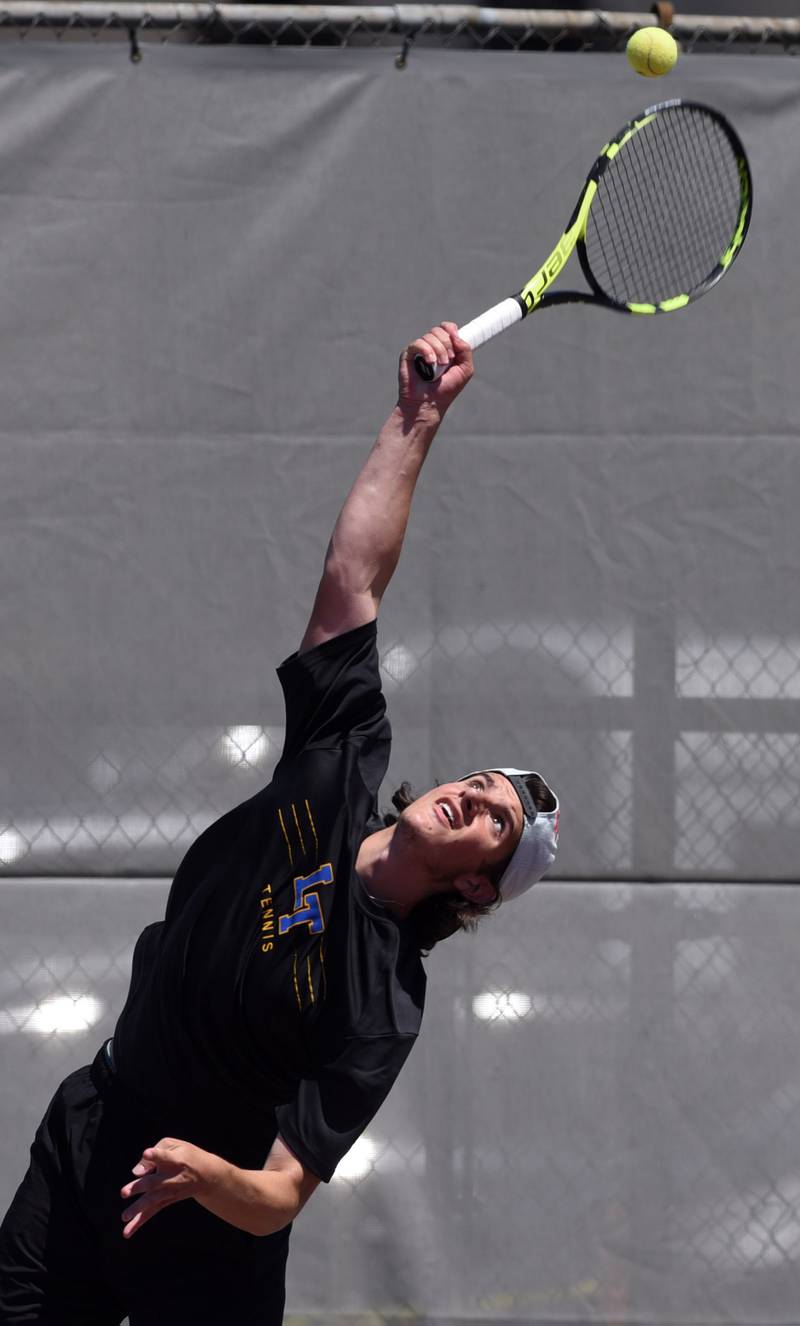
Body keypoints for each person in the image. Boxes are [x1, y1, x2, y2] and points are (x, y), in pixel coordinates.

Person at [0, 323, 559, 1325]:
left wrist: (204, 1174)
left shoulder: (380, 1000)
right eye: (480, 783)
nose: (472, 797)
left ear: (477, 887)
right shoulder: (338, 760)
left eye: (493, 823)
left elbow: (282, 1196)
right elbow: (354, 581)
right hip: (93, 1127)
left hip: (202, 1233)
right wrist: (415, 418)